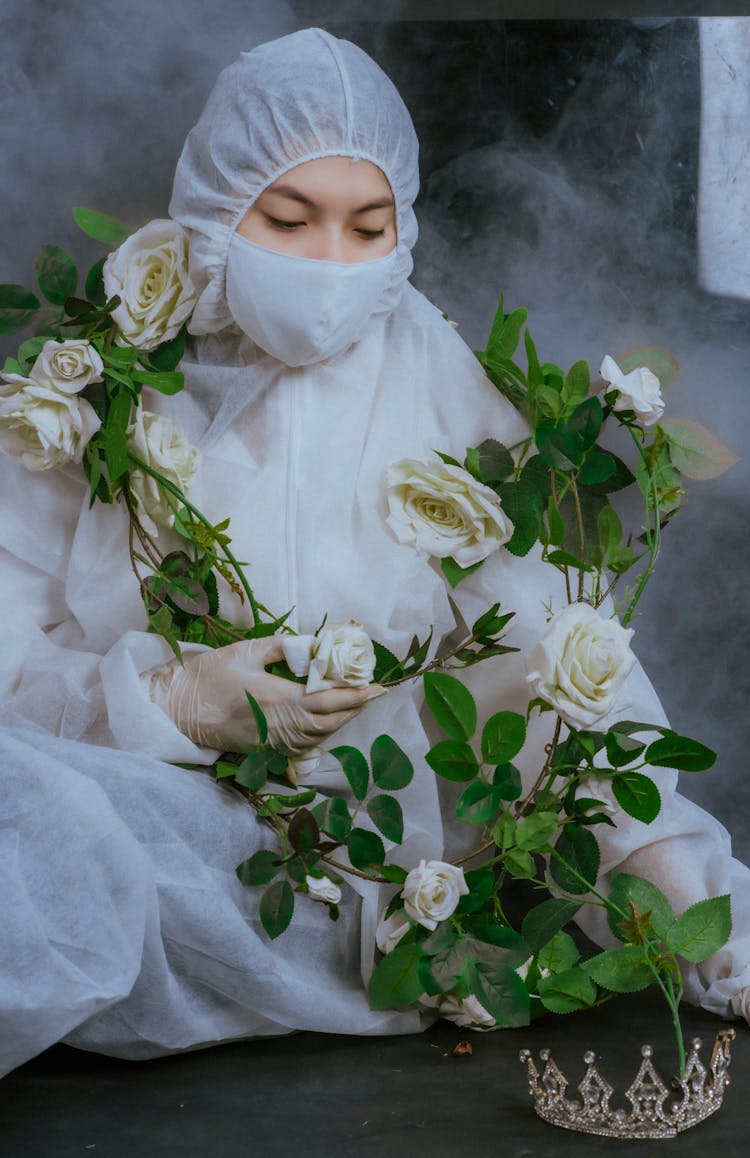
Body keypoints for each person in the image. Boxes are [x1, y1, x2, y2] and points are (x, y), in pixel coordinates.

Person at [0, 27, 748, 1078]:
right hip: (170, 822)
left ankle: (712, 932)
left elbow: (561, 672)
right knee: (36, 815)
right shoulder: (96, 394)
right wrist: (165, 701)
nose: (329, 269)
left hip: (388, 861)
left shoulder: (437, 376)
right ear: (216, 209)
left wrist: (712, 932)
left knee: (554, 654)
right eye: (290, 221)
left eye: (367, 226)